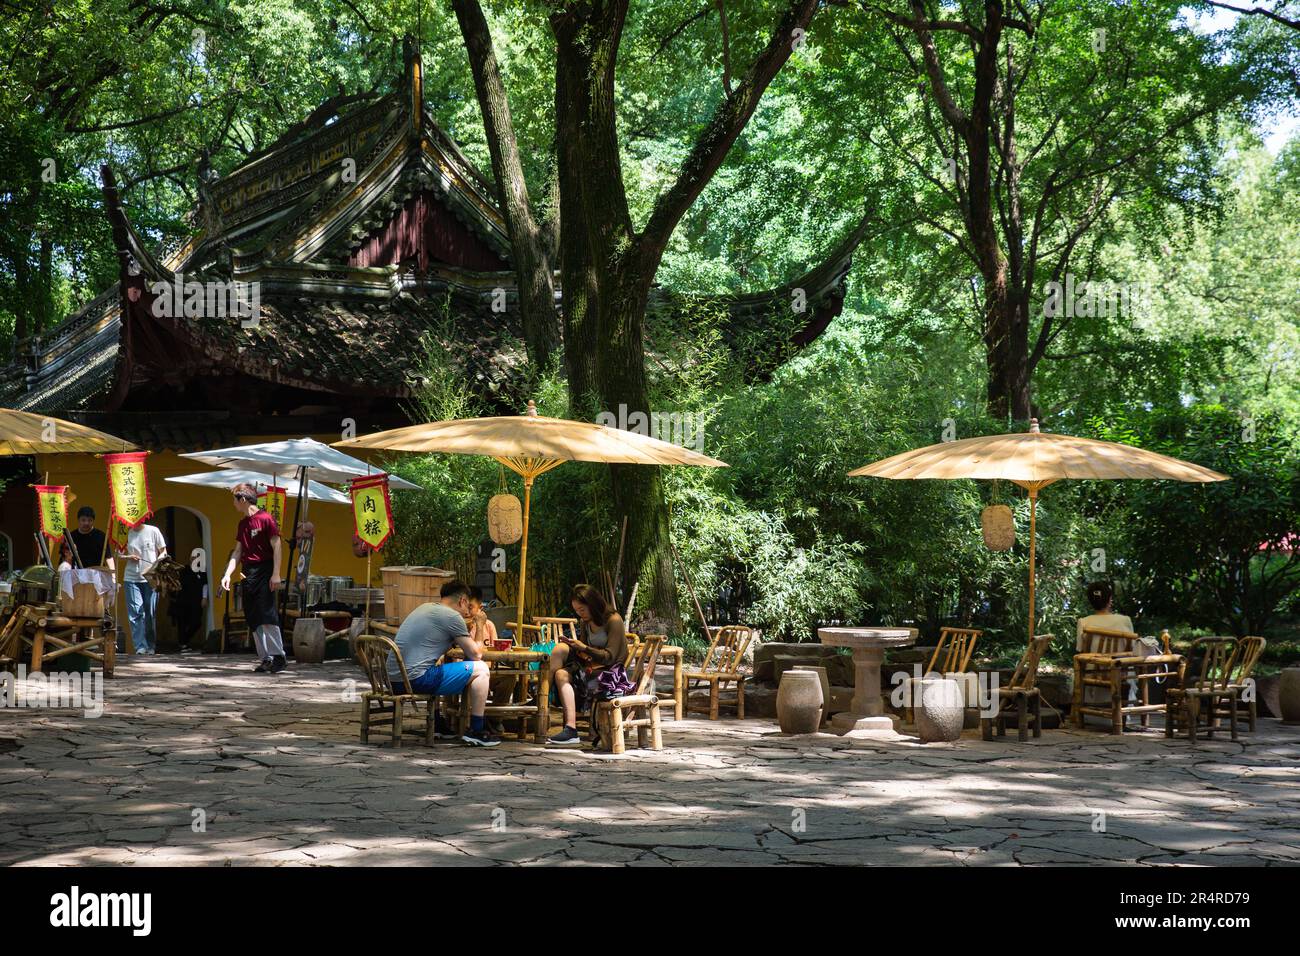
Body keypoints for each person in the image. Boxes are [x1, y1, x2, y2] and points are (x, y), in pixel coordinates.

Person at [388, 580, 499, 747]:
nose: (467, 611)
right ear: (462, 601)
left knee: (440, 666)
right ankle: (476, 730)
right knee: (482, 669)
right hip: (415, 681)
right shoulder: (451, 616)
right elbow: (476, 654)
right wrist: (480, 624)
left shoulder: (424, 608)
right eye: (467, 606)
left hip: (393, 681)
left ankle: (439, 724)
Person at [546, 584, 628, 747]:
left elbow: (610, 657)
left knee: (564, 659)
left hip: (610, 674)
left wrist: (584, 648)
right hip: (590, 667)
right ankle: (569, 727)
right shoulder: (586, 622)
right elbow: (585, 651)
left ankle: (544, 697)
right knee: (559, 656)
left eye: (582, 609)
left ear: (593, 604)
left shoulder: (614, 620)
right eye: (576, 610)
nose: (579, 614)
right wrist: (577, 648)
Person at [220, 484, 285, 673]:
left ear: (242, 499)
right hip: (248, 571)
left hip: (265, 569)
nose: (233, 504)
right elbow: (238, 551)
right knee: (253, 615)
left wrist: (276, 573)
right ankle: (265, 658)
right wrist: (227, 574)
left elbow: (277, 545)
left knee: (267, 613)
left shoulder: (266, 519)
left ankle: (278, 656)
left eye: (234, 499)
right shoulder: (243, 524)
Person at [123, 520, 168, 655]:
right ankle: (140, 646)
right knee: (136, 612)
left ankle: (150, 645)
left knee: (150, 613)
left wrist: (156, 564)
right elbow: (116, 553)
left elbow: (163, 552)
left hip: (151, 578)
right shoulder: (125, 533)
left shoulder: (153, 530)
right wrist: (128, 556)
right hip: (131, 577)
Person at [67, 506, 114, 571]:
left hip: (97, 574)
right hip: (78, 574)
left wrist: (113, 576)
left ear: (93, 521)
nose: (86, 523)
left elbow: (108, 557)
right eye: (83, 520)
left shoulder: (101, 536)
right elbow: (66, 558)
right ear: (78, 520)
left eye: (90, 520)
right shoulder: (70, 536)